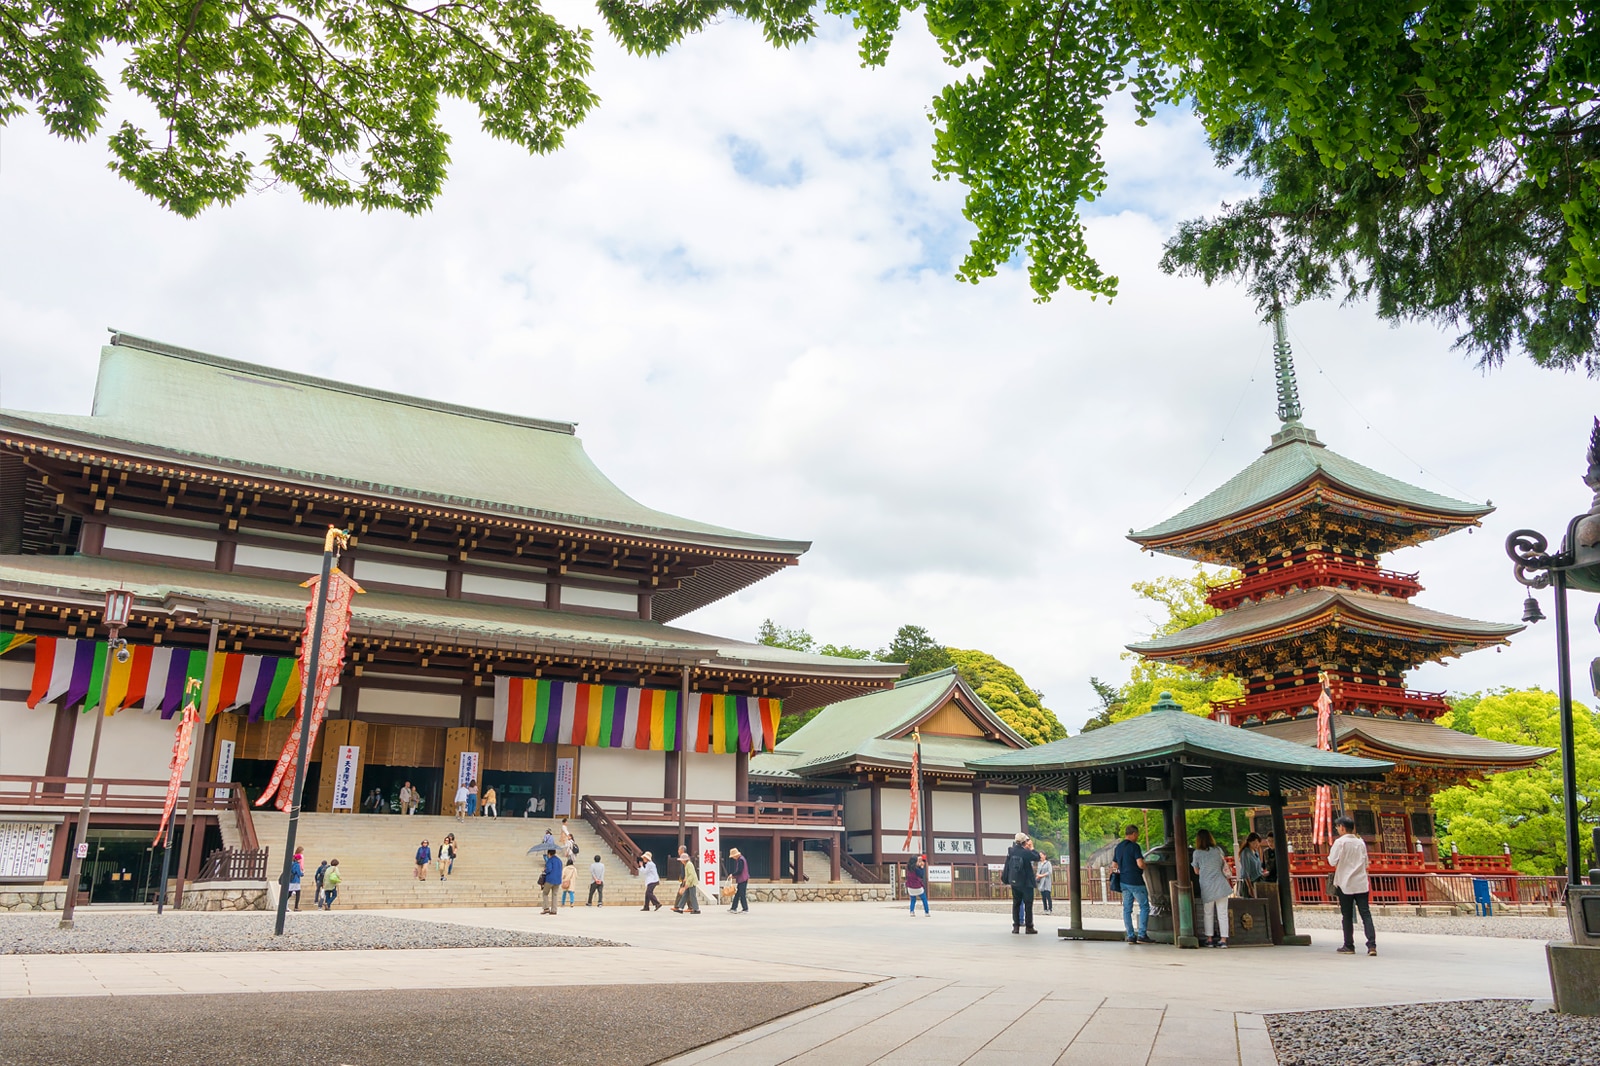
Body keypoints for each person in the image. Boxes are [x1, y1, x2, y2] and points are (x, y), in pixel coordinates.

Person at [1328, 815, 1377, 956]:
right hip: (1361, 883)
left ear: (1342, 827)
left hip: (1345, 883)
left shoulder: (1340, 843)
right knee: (1366, 914)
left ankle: (1349, 945)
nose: (1337, 829)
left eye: (1337, 827)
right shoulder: (1360, 842)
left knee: (1347, 915)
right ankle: (1372, 946)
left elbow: (1332, 861)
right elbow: (1366, 862)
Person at [1191, 828, 1232, 947]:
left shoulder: (1197, 853)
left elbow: (1196, 871)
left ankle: (1209, 938)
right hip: (1221, 885)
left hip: (1207, 886)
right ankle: (1223, 940)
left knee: (1208, 913)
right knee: (1222, 913)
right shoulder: (1218, 850)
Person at [1112, 824, 1151, 944]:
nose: (1137, 837)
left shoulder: (1118, 847)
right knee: (1144, 906)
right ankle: (1142, 934)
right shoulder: (1135, 847)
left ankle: (1130, 935)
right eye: (1137, 835)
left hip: (1123, 881)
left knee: (1127, 909)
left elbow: (1114, 865)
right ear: (1134, 834)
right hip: (1136, 881)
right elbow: (1140, 863)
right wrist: (1145, 866)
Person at [1003, 832, 1042, 934]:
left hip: (1015, 882)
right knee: (1028, 905)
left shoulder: (1011, 851)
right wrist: (1032, 847)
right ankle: (1029, 927)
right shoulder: (1025, 852)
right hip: (1026, 883)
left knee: (1016, 904)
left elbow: (1007, 865)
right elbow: (1037, 857)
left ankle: (1016, 926)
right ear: (1025, 841)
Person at [673, 846, 701, 913]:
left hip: (692, 883)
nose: (681, 861)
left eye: (682, 860)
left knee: (692, 896)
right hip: (689, 882)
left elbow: (691, 875)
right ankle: (680, 908)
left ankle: (696, 909)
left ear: (684, 860)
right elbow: (688, 875)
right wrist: (685, 879)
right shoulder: (686, 864)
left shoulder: (689, 864)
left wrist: (687, 884)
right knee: (685, 895)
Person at [726, 847, 750, 913]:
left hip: (743, 879)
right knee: (738, 894)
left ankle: (745, 908)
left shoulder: (740, 860)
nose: (733, 858)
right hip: (742, 879)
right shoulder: (741, 859)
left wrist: (732, 875)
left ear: (735, 855)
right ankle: (733, 908)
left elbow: (739, 871)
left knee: (742, 894)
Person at [541, 849, 562, 914]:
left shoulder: (550, 860)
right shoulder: (559, 860)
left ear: (549, 854)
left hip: (550, 879)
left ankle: (546, 908)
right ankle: (554, 910)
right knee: (555, 895)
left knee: (545, 893)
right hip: (558, 880)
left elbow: (549, 869)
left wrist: (545, 870)